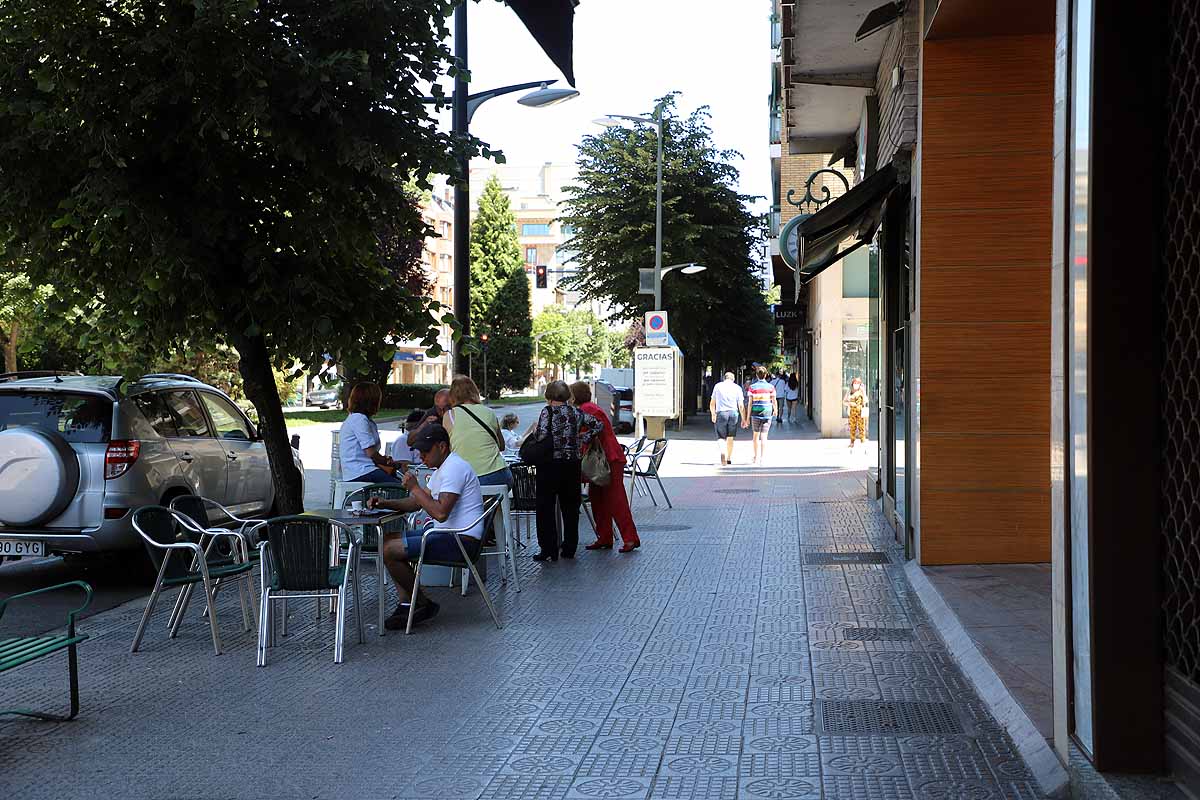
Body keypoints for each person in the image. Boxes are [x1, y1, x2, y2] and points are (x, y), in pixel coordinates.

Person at [368, 425, 486, 630]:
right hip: (447, 535)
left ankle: (420, 603)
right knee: (386, 541)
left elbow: (440, 513)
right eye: (419, 452)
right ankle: (409, 604)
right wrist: (385, 503)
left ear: (442, 446)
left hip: (461, 541)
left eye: (425, 451)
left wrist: (414, 487)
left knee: (389, 549)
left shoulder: (455, 468)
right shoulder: (443, 468)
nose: (421, 456)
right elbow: (417, 503)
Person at [530, 380, 601, 562]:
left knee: (545, 507)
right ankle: (569, 547)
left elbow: (542, 436)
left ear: (549, 395)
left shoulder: (548, 412)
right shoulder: (576, 412)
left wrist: (535, 431)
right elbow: (598, 424)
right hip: (572, 465)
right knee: (570, 508)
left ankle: (549, 548)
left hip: (550, 464)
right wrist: (583, 437)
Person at [570, 381, 640, 553]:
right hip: (607, 458)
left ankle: (629, 538)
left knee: (615, 499)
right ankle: (605, 537)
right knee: (598, 498)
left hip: (607, 459)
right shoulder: (590, 407)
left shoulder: (586, 410)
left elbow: (589, 433)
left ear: (574, 396)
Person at [442, 374, 512, 487]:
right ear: (474, 391)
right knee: (496, 501)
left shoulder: (449, 415)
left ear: (452, 395)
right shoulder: (489, 412)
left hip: (469, 477)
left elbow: (447, 450)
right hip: (500, 475)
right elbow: (501, 446)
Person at [337, 382, 400, 483]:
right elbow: (371, 453)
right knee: (401, 488)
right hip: (361, 471)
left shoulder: (360, 419)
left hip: (362, 470)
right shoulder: (359, 419)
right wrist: (388, 461)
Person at [709, 371, 746, 466]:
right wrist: (744, 419)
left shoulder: (718, 386)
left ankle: (722, 452)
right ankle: (728, 458)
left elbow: (712, 403)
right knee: (730, 437)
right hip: (733, 413)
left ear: (724, 378)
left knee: (721, 437)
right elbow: (741, 406)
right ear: (733, 379)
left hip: (721, 413)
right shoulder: (737, 388)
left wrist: (713, 414)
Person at [746, 367, 777, 466]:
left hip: (755, 413)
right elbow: (773, 400)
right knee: (764, 436)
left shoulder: (752, 387)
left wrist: (747, 418)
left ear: (756, 375)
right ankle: (763, 458)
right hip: (767, 413)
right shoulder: (771, 387)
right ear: (766, 375)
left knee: (755, 436)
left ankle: (755, 457)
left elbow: (750, 403)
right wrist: (775, 410)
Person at [845, 376, 868, 451]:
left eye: (858, 383)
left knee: (862, 427)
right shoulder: (849, 391)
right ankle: (852, 442)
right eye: (855, 383)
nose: (856, 384)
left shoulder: (862, 392)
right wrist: (850, 403)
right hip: (852, 412)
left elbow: (865, 401)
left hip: (860, 412)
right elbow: (844, 401)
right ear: (852, 384)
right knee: (852, 427)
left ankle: (863, 442)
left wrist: (863, 391)